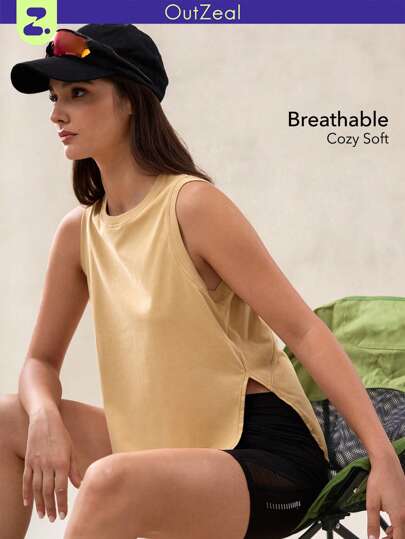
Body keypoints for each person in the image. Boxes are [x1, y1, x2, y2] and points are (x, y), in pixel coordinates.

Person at [3, 23, 400, 539]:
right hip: (160, 444)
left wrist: (383, 456)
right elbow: (39, 362)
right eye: (55, 97)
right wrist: (43, 417)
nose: (58, 113)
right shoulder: (79, 233)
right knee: (8, 420)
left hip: (262, 455)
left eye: (79, 93)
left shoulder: (192, 207)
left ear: (131, 101)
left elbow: (303, 330)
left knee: (107, 483)